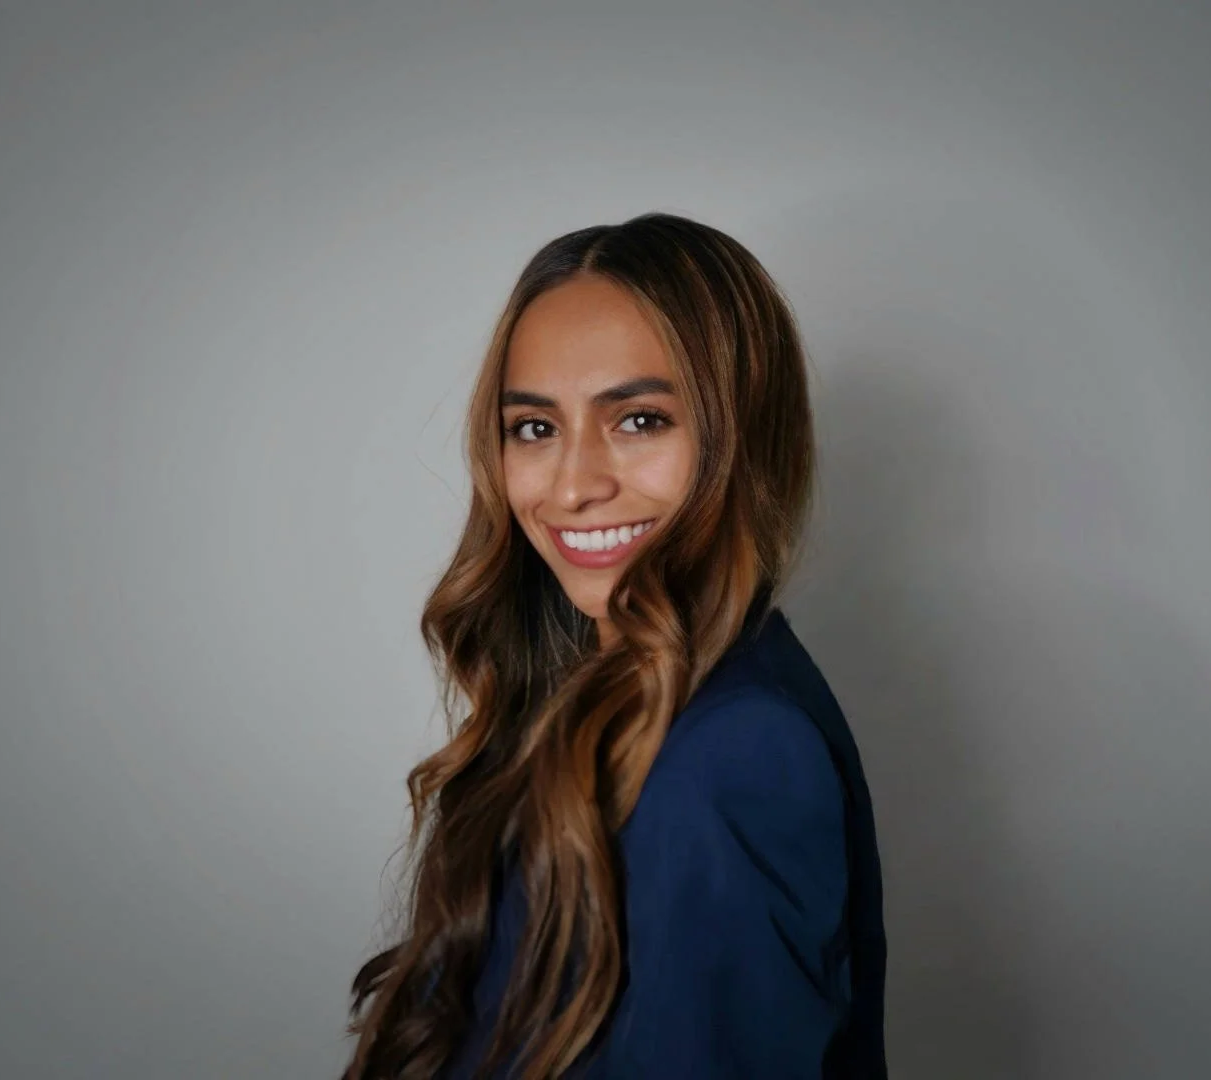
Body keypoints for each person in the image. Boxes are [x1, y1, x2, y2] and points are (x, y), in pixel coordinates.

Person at [341, 212, 887, 1079]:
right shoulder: (586, 703)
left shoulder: (734, 754)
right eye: (535, 428)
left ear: (745, 434)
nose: (572, 486)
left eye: (638, 420)